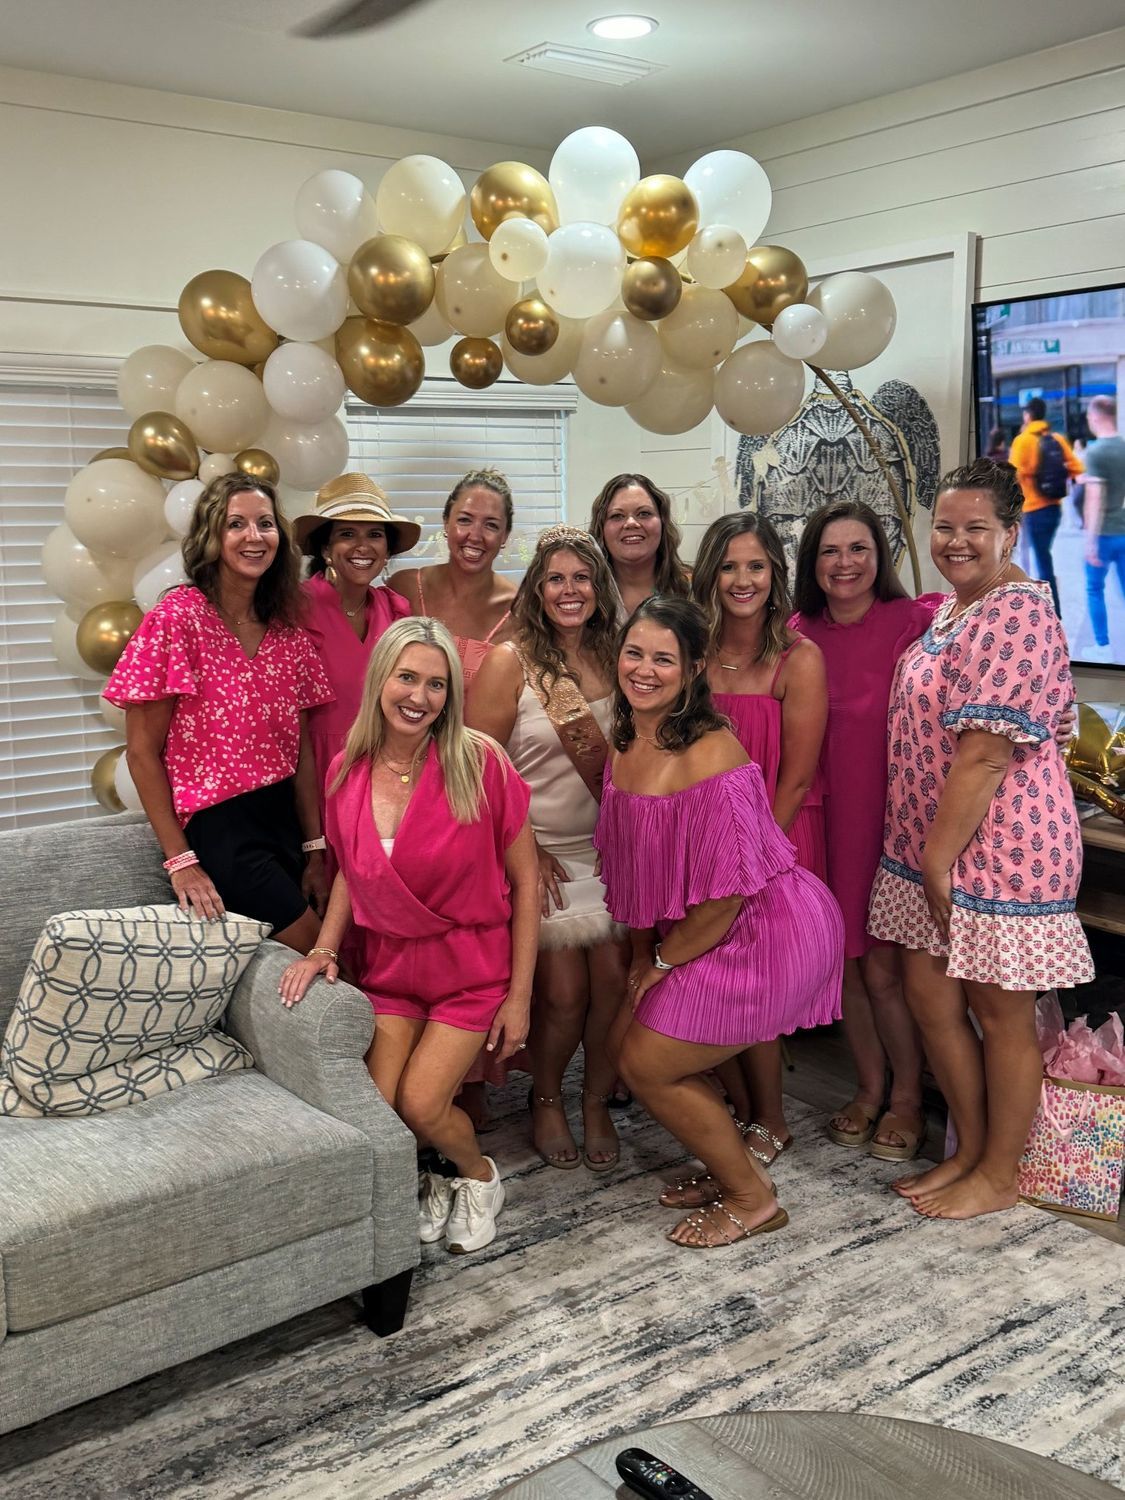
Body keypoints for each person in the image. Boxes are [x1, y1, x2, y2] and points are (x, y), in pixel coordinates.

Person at [868, 457, 1094, 1220]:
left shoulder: (1019, 612)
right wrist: (924, 853)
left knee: (1001, 1016)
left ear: (1009, 532)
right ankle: (967, 1149)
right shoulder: (953, 608)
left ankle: (1002, 1173)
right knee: (930, 997)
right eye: (943, 526)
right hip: (928, 841)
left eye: (974, 528)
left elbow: (987, 750)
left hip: (1001, 848)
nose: (954, 541)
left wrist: (938, 858)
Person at [278, 617, 539, 1255]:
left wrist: (520, 997)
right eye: (407, 677)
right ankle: (433, 1177)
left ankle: (477, 1176)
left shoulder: (481, 763)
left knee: (423, 1106)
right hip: (391, 971)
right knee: (386, 1107)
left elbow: (527, 884)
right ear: (381, 680)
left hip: (471, 972)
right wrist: (324, 949)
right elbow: (352, 874)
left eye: (437, 684)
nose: (419, 697)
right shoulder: (347, 769)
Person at [594, 596, 843, 1248]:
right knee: (644, 1044)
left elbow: (728, 896)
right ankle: (729, 1161)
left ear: (693, 667)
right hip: (707, 932)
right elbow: (635, 875)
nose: (644, 670)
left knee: (647, 1062)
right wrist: (640, 959)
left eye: (663, 659)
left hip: (768, 928)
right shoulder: (624, 740)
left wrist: (658, 965)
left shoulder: (711, 751)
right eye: (634, 653)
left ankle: (750, 1197)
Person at [105, 473, 332, 951]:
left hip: (284, 824)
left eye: (265, 523)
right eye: (237, 524)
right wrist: (180, 861)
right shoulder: (177, 619)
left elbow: (303, 754)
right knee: (326, 961)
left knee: (320, 957)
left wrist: (314, 849)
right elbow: (142, 753)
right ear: (212, 537)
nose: (254, 536)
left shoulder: (288, 631)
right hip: (222, 832)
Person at [468, 526, 628, 1172]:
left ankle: (592, 1099)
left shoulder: (619, 652)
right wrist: (525, 849)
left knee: (614, 984)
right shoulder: (509, 660)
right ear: (537, 588)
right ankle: (544, 1097)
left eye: (581, 578)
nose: (569, 591)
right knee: (562, 994)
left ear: (598, 586)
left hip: (609, 849)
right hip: (540, 853)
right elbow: (478, 766)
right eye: (556, 579)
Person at [792, 501, 943, 1161]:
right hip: (825, 819)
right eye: (830, 550)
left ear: (878, 556)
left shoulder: (913, 622)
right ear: (811, 563)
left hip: (898, 822)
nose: (844, 563)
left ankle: (907, 1097)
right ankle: (869, 1083)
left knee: (885, 970)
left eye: (858, 548)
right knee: (848, 963)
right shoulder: (794, 633)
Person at [689, 511, 828, 1164]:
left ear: (775, 576)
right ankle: (732, 1109)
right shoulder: (692, 653)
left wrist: (753, 861)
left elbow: (796, 779)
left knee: (753, 989)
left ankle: (771, 1117)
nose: (742, 580)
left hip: (767, 846)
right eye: (729, 566)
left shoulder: (799, 659)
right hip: (698, 843)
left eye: (756, 566)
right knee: (705, 979)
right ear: (710, 574)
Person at [295, 473, 419, 807]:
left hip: (385, 775)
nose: (362, 546)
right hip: (313, 775)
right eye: (347, 534)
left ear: (387, 549)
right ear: (325, 547)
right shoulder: (295, 611)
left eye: (374, 534)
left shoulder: (397, 612)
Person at [390, 469, 516, 685]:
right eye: (465, 520)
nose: (475, 536)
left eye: (491, 525)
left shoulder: (519, 611)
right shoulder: (404, 588)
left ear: (504, 536)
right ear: (446, 522)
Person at [1009, 396, 1083, 616]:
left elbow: (1012, 476)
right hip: (1054, 508)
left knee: (1040, 560)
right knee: (1042, 555)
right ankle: (1048, 607)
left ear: (1028, 415)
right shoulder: (1057, 439)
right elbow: (1077, 468)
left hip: (1033, 509)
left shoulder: (1023, 441)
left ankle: (1052, 612)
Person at [588, 473, 691, 616]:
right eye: (617, 516)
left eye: (644, 513)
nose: (631, 523)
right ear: (601, 529)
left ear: (662, 522)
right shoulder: (585, 594)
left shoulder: (692, 588)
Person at [1081, 395, 1125, 663]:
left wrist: (1090, 541)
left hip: (1104, 535)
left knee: (1094, 589)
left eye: (1088, 417)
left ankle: (1103, 647)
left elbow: (1094, 499)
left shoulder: (1095, 452)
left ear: (1096, 416)